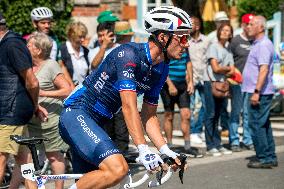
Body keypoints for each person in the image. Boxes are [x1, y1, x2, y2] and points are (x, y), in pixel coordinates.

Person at [59, 6, 192, 189]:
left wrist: (165, 150)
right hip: (78, 113)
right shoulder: (128, 54)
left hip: (99, 122)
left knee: (93, 183)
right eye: (183, 37)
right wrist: (143, 149)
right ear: (163, 37)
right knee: (117, 169)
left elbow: (149, 115)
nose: (187, 44)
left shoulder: (162, 68)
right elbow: (128, 106)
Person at [0, 12, 47, 188]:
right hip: (9, 110)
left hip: (11, 112)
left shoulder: (13, 44)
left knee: (0, 157)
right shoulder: (4, 44)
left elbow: (32, 81)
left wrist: (35, 105)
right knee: (25, 161)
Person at [26, 32, 71, 189]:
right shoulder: (27, 65)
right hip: (30, 121)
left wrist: (43, 93)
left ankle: (59, 187)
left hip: (50, 121)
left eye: (29, 45)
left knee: (54, 157)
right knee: (29, 159)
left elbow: (67, 90)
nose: (26, 48)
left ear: (38, 50)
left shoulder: (51, 65)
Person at [242, 16, 278, 168]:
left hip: (259, 93)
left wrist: (256, 91)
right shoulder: (259, 43)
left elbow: (263, 70)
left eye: (252, 24)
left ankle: (264, 158)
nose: (248, 26)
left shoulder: (263, 44)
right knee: (263, 124)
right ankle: (269, 156)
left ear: (261, 27)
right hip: (259, 91)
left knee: (256, 124)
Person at [160, 49, 203, 158]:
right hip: (167, 85)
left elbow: (188, 62)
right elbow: (161, 66)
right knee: (169, 116)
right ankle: (169, 146)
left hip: (182, 85)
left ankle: (187, 146)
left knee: (186, 114)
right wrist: (170, 84)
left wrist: (191, 82)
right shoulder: (168, 46)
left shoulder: (184, 45)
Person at [102, 21, 134, 155]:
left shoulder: (110, 50)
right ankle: (120, 157)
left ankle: (116, 157)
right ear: (125, 37)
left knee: (116, 129)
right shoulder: (126, 51)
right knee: (119, 129)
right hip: (117, 94)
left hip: (111, 94)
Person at [203, 23, 234, 157]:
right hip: (211, 84)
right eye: (223, 30)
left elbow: (232, 71)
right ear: (219, 32)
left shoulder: (228, 51)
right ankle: (210, 146)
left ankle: (218, 143)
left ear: (231, 34)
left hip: (222, 85)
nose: (225, 32)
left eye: (228, 30)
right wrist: (225, 68)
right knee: (210, 114)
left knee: (219, 115)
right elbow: (216, 69)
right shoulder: (213, 47)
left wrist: (224, 69)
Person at [228, 13, 255, 152]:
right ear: (243, 25)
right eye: (248, 24)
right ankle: (234, 140)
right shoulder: (235, 41)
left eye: (252, 24)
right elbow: (228, 60)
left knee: (247, 113)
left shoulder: (256, 41)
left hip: (251, 85)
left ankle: (248, 139)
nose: (250, 27)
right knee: (236, 112)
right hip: (237, 84)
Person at [188, 16, 210, 144]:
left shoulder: (207, 41)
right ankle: (192, 131)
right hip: (191, 78)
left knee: (205, 106)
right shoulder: (186, 41)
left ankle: (198, 129)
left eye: (191, 24)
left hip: (205, 78)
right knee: (191, 107)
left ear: (197, 26)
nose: (188, 26)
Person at [59, 21, 89, 90]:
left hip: (82, 90)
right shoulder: (63, 49)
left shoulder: (86, 51)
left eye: (84, 36)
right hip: (68, 90)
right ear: (72, 36)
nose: (83, 40)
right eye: (80, 37)